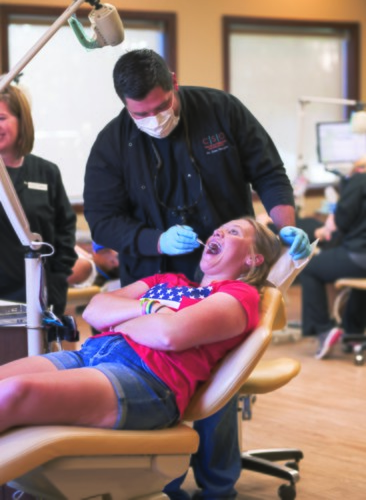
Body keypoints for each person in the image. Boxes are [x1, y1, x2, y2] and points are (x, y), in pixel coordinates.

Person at [83, 49, 310, 500]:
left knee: (217, 383)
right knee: (164, 376)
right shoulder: (113, 144)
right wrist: (156, 241)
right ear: (125, 105)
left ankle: (218, 486)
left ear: (173, 82)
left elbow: (269, 171)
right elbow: (104, 220)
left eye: (161, 106)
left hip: (227, 279)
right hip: (157, 276)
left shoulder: (221, 110)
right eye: (140, 113)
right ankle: (164, 483)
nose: (153, 118)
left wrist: (285, 227)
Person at [0, 217, 282, 435]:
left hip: (147, 379)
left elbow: (169, 335)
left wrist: (122, 320)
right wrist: (150, 310)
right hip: (91, 355)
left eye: (233, 232)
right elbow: (96, 310)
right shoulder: (169, 281)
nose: (218, 232)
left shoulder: (239, 295)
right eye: (219, 229)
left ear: (253, 259)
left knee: (12, 393)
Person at [0, 81, 77, 317]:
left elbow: (64, 235)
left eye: (2, 117)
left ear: (22, 121)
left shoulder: (46, 173)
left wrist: (53, 289)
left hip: (38, 300)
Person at [300, 155, 366, 359]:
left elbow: (343, 222)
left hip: (360, 256)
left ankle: (323, 330)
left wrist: (329, 226)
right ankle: (354, 334)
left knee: (310, 268)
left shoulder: (359, 180)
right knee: (358, 279)